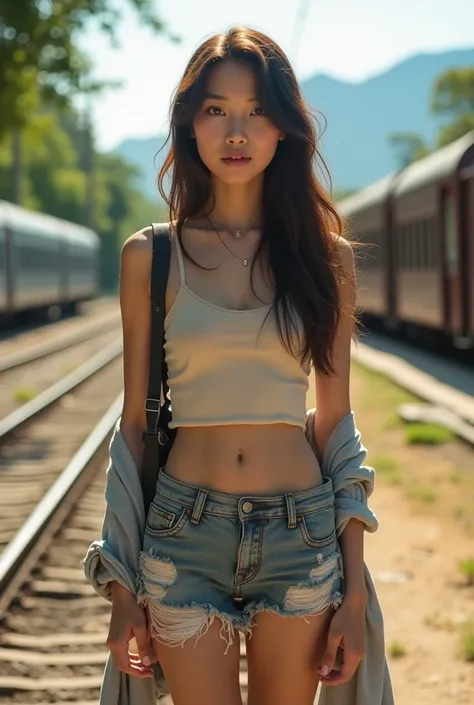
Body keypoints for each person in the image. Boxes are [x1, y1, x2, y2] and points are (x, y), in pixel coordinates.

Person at [110, 26, 368, 705]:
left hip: (301, 531)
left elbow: (337, 421)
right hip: (182, 534)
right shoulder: (151, 257)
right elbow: (133, 426)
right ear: (190, 123)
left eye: (256, 110)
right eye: (217, 109)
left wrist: (357, 588)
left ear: (283, 127)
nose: (236, 129)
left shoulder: (327, 257)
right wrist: (118, 583)